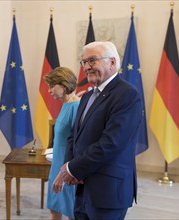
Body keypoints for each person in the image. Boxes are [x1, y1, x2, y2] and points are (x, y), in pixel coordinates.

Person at [52, 41, 143, 220]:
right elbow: (74, 136)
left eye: (92, 61)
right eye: (84, 62)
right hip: (81, 186)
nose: (86, 67)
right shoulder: (86, 97)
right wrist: (71, 170)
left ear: (112, 62)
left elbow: (111, 143)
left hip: (108, 190)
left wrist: (72, 168)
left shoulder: (127, 95)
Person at [44, 67, 80, 220]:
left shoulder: (76, 107)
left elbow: (77, 144)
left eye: (52, 86)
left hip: (67, 169)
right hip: (56, 167)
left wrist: (65, 172)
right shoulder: (65, 105)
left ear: (64, 86)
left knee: (72, 212)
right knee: (54, 209)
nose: (49, 91)